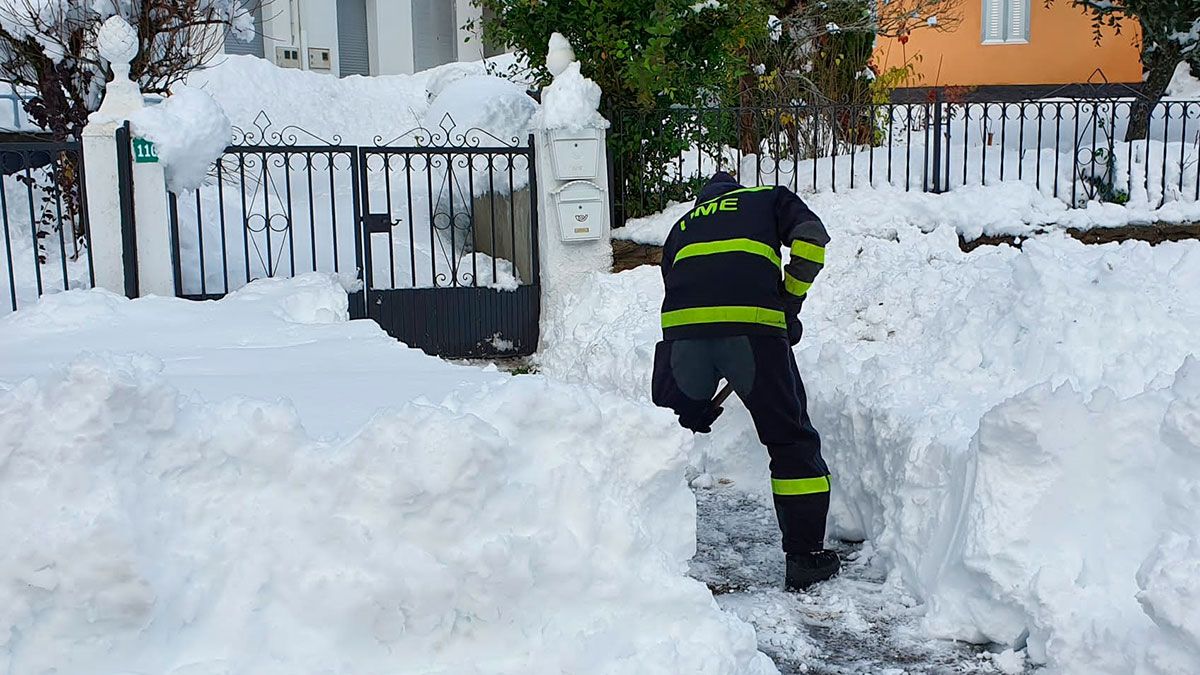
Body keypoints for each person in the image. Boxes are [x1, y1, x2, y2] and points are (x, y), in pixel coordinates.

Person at [651, 170, 838, 591]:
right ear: (737, 191)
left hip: (682, 339)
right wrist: (789, 303)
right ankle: (806, 558)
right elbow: (811, 239)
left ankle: (634, 548)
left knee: (657, 438)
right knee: (790, 441)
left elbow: (679, 285)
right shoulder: (767, 199)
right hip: (753, 334)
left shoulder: (682, 225)